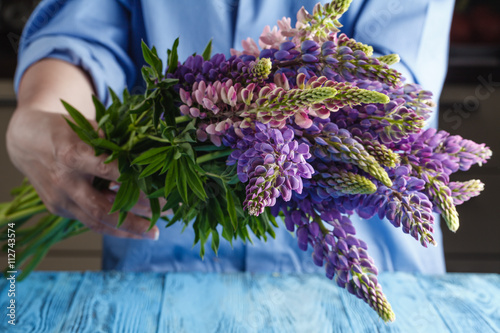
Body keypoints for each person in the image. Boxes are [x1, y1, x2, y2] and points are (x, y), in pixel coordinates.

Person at [7, 0, 455, 274]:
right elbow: (83, 33)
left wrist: (278, 106)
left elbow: (394, 92)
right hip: (161, 280)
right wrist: (46, 113)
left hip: (364, 271)